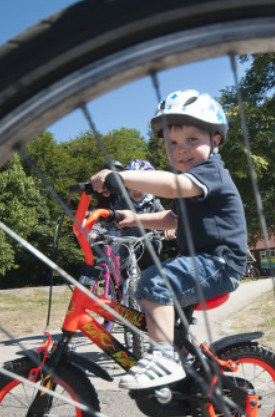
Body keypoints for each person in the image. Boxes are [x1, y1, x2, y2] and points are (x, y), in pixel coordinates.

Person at [90, 89, 246, 390]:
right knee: (169, 320)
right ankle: (191, 375)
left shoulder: (210, 173)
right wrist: (132, 218)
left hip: (221, 263)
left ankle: (164, 360)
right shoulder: (190, 184)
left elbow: (174, 186)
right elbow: (172, 219)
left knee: (154, 281)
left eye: (192, 140)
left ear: (215, 140)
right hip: (200, 263)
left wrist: (122, 177)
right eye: (172, 143)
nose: (181, 150)